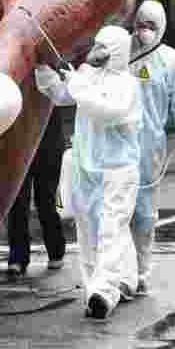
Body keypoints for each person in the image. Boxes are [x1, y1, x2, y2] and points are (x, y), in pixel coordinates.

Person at [35, 24, 141, 320]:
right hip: (87, 167)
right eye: (97, 44)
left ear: (118, 50)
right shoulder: (87, 75)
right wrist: (43, 67)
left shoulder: (127, 85)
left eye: (104, 46)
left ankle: (104, 293)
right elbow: (59, 94)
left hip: (118, 170)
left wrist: (79, 85)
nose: (97, 51)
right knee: (88, 230)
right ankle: (120, 280)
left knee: (111, 228)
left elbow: (107, 111)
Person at [128, 0, 175, 296]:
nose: (144, 31)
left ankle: (141, 271)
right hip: (115, 144)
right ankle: (117, 271)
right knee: (115, 210)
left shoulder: (169, 60)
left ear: (162, 28)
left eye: (151, 26)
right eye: (140, 24)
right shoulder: (119, 51)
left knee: (144, 213)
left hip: (149, 147)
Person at [0, 103, 72, 276]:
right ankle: (17, 257)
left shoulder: (50, 78)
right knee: (17, 201)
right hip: (18, 143)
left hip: (48, 142)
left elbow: (65, 93)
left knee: (45, 200)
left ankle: (55, 250)